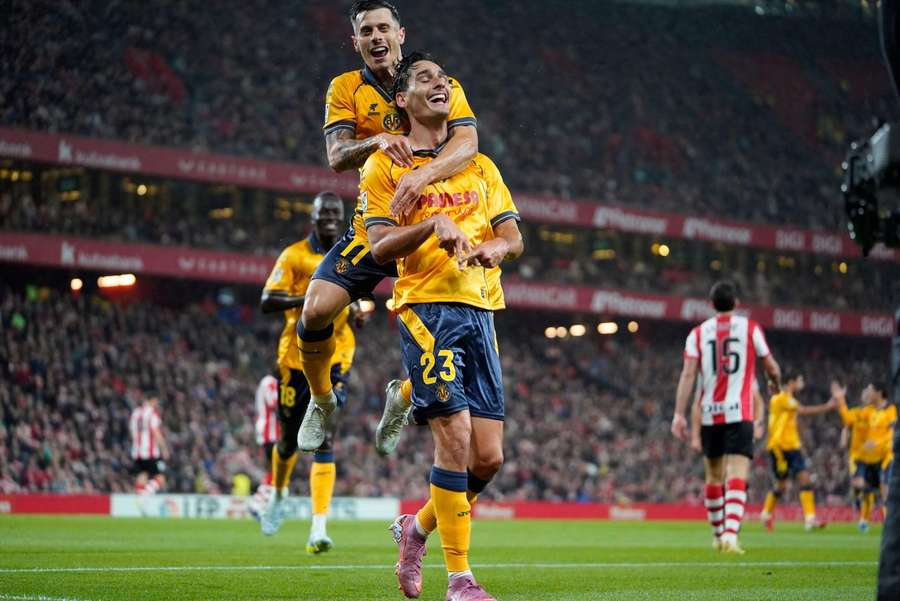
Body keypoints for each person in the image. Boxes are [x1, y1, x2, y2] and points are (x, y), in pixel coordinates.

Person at [296, 0, 491, 457]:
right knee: (315, 310)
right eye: (367, 31)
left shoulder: (441, 83)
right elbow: (336, 156)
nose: (376, 37)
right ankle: (323, 398)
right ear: (357, 42)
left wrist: (421, 176)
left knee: (446, 339)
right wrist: (376, 140)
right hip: (377, 225)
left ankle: (402, 397)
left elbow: (469, 142)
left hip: (431, 230)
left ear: (402, 33)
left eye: (384, 27)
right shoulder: (346, 87)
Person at [363, 52, 523, 601]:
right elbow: (380, 246)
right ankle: (460, 580)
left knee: (489, 457)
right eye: (426, 78)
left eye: (446, 78)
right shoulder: (384, 167)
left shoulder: (480, 165)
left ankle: (417, 528)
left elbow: (512, 235)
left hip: (482, 309)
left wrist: (496, 247)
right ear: (402, 100)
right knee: (453, 440)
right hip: (427, 307)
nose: (442, 84)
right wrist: (433, 224)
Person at [258, 192, 366, 554]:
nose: (332, 218)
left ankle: (318, 527)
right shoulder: (294, 256)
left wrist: (360, 310)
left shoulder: (353, 254)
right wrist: (309, 301)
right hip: (295, 359)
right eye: (325, 213)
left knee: (326, 435)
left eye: (337, 213)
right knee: (288, 440)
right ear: (314, 217)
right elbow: (267, 300)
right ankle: (279, 494)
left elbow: (361, 294)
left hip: (337, 357)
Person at [672, 279, 781, 554]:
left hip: (710, 413)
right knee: (737, 473)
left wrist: (679, 414)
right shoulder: (750, 328)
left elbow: (687, 374)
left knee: (713, 476)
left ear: (711, 305)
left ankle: (718, 534)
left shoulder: (697, 333)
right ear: (737, 303)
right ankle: (731, 536)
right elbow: (770, 365)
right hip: (739, 410)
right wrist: (775, 383)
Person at [758, 373, 835, 531]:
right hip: (780, 448)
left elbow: (792, 420)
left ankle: (809, 519)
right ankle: (766, 514)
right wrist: (828, 406)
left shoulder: (787, 399)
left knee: (804, 479)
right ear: (791, 382)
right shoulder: (781, 397)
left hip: (792, 447)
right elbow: (803, 410)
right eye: (799, 380)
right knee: (781, 485)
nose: (802, 383)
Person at [837, 382, 897, 532]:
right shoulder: (867, 411)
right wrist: (840, 401)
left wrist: (878, 442)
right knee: (866, 489)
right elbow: (849, 419)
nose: (868, 393)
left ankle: (888, 523)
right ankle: (863, 519)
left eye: (870, 390)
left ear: (879, 392)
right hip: (867, 458)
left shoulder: (891, 411)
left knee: (885, 490)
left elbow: (893, 432)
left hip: (885, 457)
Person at [129, 394, 169, 516]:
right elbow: (156, 432)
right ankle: (144, 497)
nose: (156, 404)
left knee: (142, 477)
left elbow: (132, 431)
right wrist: (164, 448)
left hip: (137, 452)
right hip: (150, 452)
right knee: (160, 479)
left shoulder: (135, 413)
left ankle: (142, 507)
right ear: (150, 401)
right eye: (155, 401)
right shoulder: (152, 413)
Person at [248, 371, 279, 521]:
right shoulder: (269, 381)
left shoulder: (271, 382)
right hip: (269, 432)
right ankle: (258, 502)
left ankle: (262, 502)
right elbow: (274, 403)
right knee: (274, 468)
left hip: (271, 432)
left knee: (274, 469)